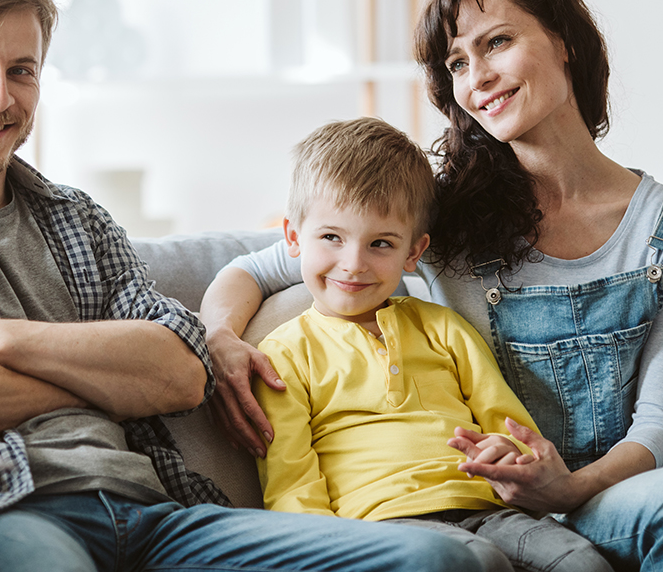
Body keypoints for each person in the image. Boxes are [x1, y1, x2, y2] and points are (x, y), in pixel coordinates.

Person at [0, 0, 486, 572]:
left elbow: (179, 372)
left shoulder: (77, 219)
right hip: (0, 510)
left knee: (435, 558)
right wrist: (108, 379)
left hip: (158, 513)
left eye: (21, 71)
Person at [200, 0, 663, 571]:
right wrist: (218, 337)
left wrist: (568, 487)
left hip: (609, 494)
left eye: (497, 43)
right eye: (458, 64)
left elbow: (660, 423)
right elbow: (255, 268)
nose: (477, 77)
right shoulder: (439, 213)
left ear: (564, 40)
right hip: (486, 504)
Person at [254, 117, 610, 572]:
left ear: (413, 253)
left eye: (380, 243)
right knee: (477, 562)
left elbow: (507, 423)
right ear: (293, 237)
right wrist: (329, 552)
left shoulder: (443, 328)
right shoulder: (283, 353)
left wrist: (507, 453)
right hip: (383, 526)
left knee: (581, 561)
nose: (353, 263)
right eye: (331, 238)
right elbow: (291, 484)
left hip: (489, 510)